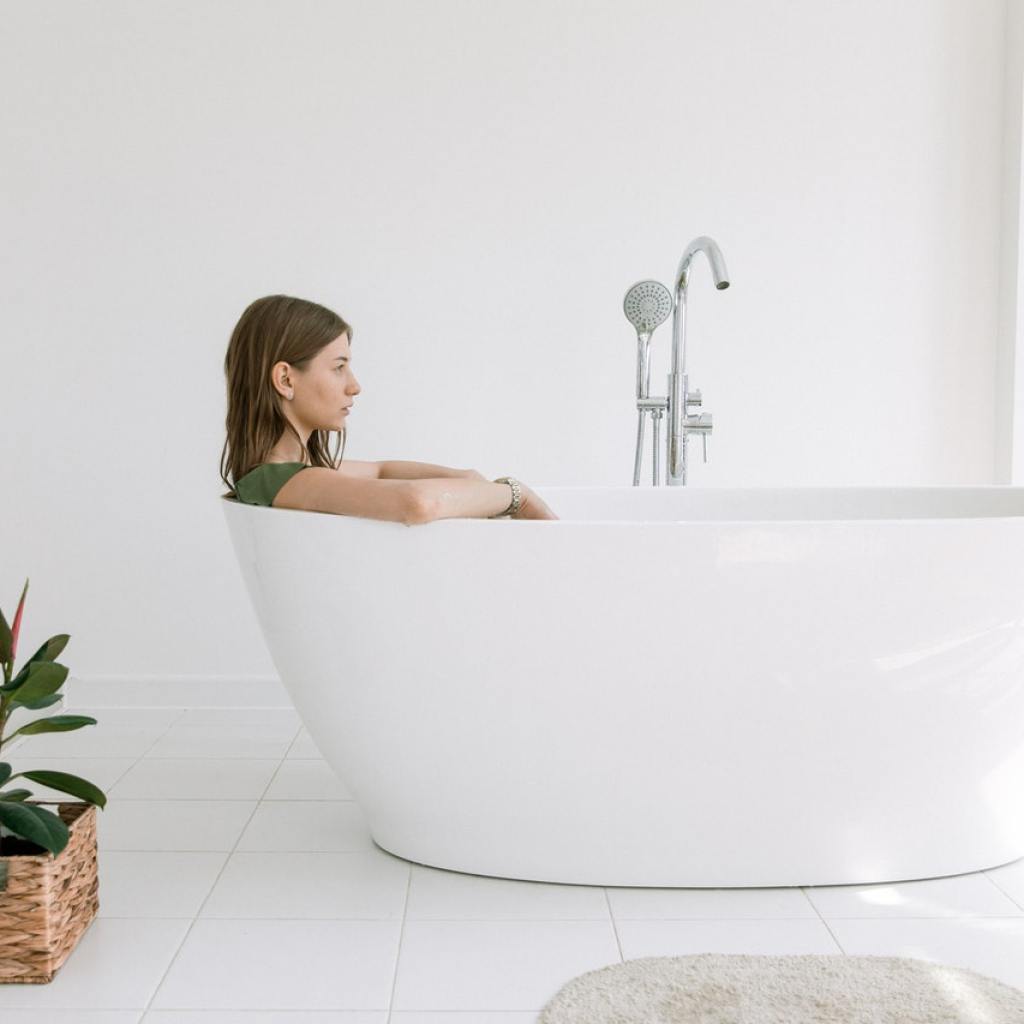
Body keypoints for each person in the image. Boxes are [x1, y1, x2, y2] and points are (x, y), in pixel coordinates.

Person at [219, 294, 559, 524]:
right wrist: (515, 496)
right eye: (338, 367)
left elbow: (382, 470)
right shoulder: (282, 481)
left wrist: (466, 478)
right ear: (285, 379)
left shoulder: (282, 476)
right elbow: (417, 502)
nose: (354, 385)